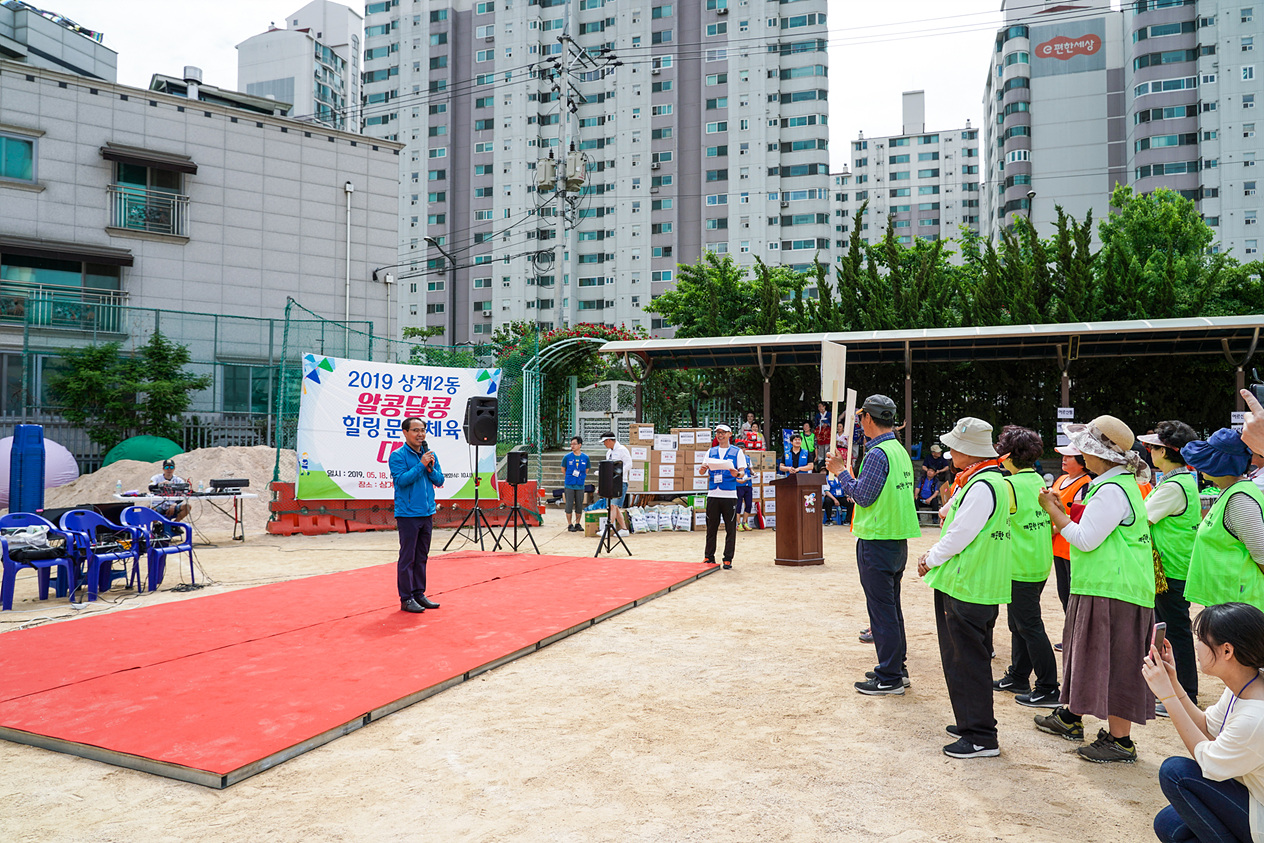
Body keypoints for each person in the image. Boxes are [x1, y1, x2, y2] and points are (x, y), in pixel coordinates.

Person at [1034, 415, 1156, 763]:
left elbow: (1084, 539)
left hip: (1113, 590)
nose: (1080, 455)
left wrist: (1052, 512)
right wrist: (1061, 509)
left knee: (1116, 661)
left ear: (1098, 455)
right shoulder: (1115, 484)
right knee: (1092, 655)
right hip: (1110, 587)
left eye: (1084, 449)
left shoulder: (1112, 489)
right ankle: (1073, 716)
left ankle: (1120, 741)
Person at [917, 417, 1011, 758]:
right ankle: (972, 721)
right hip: (978, 583)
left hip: (966, 583)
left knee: (965, 660)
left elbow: (959, 534)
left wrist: (930, 557)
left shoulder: (981, 484)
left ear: (969, 452)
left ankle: (980, 736)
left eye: (955, 446)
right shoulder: (987, 480)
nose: (949, 451)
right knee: (970, 658)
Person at [1144, 602, 1264, 843]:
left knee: (1176, 773)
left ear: (1227, 651)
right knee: (1170, 824)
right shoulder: (1248, 682)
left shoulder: (1255, 717)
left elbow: (1209, 763)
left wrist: (1167, 696)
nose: (1195, 644)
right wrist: (1174, 684)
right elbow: (1208, 727)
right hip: (1253, 794)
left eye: (1200, 638)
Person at [827, 394, 921, 696]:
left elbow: (862, 496)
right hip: (895, 539)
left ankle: (889, 676)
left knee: (882, 611)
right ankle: (896, 668)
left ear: (869, 418)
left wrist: (840, 471)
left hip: (877, 540)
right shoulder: (898, 451)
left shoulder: (878, 453)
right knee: (891, 608)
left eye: (860, 417)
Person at [991, 425, 1060, 709]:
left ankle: (1047, 686)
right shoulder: (1039, 483)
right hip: (1038, 563)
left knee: (1029, 626)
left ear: (1007, 455)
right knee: (1019, 624)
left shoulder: (1009, 486)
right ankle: (1019, 675)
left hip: (1020, 566)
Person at [1140, 420, 1202, 715]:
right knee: (1167, 629)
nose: (1148, 451)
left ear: (1163, 452)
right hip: (1171, 568)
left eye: (1152, 447)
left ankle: (1186, 692)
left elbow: (1142, 519)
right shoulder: (1179, 480)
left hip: (1170, 570)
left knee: (1176, 632)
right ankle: (1174, 689)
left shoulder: (1174, 486)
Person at [1183, 428, 1264, 612]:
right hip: (1228, 603)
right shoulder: (1231, 491)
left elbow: (1262, 555)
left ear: (1220, 464)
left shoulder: (1240, 499)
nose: (1200, 466)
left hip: (1240, 608)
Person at [390, 417, 445, 614]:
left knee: (422, 556)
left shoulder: (430, 455)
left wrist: (429, 467)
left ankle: (419, 593)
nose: (420, 434)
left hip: (427, 512)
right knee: (408, 557)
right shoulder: (397, 456)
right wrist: (421, 465)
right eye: (415, 430)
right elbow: (402, 481)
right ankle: (406, 598)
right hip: (407, 514)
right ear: (405, 433)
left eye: (423, 430)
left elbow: (439, 480)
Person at [1049, 444, 1094, 613]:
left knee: (1072, 596)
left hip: (1071, 547)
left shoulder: (1085, 484)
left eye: (1069, 457)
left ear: (1082, 462)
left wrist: (1050, 531)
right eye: (1063, 456)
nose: (1064, 459)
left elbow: (1077, 518)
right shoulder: (1061, 479)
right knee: (1063, 593)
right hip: (1058, 547)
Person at [698, 424, 748, 568]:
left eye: (723, 433)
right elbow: (702, 471)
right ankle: (709, 557)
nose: (720, 435)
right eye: (718, 433)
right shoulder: (711, 451)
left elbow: (742, 473)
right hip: (713, 493)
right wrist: (702, 469)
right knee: (711, 527)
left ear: (730, 434)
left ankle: (728, 558)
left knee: (730, 528)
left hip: (729, 494)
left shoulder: (737, 451)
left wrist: (737, 474)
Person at [601, 431, 634, 538]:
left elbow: (629, 464)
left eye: (604, 442)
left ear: (609, 440)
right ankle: (624, 529)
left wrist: (618, 474)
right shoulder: (608, 453)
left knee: (613, 505)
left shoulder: (622, 450)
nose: (604, 444)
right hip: (610, 482)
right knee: (614, 506)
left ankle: (607, 529)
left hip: (621, 482)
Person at [562, 436, 589, 532]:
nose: (572, 446)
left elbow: (586, 469)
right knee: (569, 504)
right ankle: (570, 524)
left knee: (579, 504)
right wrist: (569, 477)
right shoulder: (567, 457)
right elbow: (563, 469)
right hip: (569, 484)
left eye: (574, 444)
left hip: (580, 484)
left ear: (580, 445)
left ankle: (578, 523)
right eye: (571, 444)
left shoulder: (585, 457)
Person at [736, 445, 756, 531]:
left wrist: (754, 474)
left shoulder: (747, 458)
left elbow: (751, 469)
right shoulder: (735, 458)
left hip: (748, 484)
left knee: (748, 504)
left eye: (742, 448)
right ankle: (738, 524)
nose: (741, 449)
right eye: (739, 448)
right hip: (739, 485)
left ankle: (744, 522)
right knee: (738, 505)